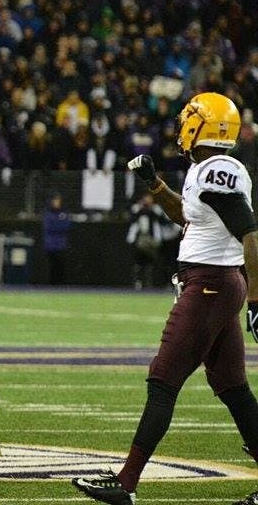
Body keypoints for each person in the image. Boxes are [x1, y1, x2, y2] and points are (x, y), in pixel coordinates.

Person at [73, 92, 258, 505]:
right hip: (216, 283)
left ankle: (127, 482)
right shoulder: (206, 169)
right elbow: (188, 216)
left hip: (210, 285)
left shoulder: (218, 170)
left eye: (189, 119)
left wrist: (257, 303)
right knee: (232, 387)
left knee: (163, 380)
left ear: (204, 126)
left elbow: (250, 233)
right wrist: (155, 185)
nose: (181, 126)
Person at [126, 194, 163, 290]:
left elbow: (161, 219)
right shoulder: (137, 208)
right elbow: (132, 218)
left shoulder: (155, 209)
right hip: (139, 239)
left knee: (150, 262)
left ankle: (149, 282)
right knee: (138, 262)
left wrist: (150, 208)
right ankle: (137, 282)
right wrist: (141, 207)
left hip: (151, 239)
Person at [43, 193, 72, 284]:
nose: (56, 203)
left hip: (61, 245)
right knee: (52, 266)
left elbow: (66, 226)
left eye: (58, 201)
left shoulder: (64, 214)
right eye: (55, 201)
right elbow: (49, 227)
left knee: (61, 266)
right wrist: (58, 225)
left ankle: (60, 286)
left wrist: (57, 225)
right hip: (50, 245)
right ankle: (51, 286)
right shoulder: (48, 214)